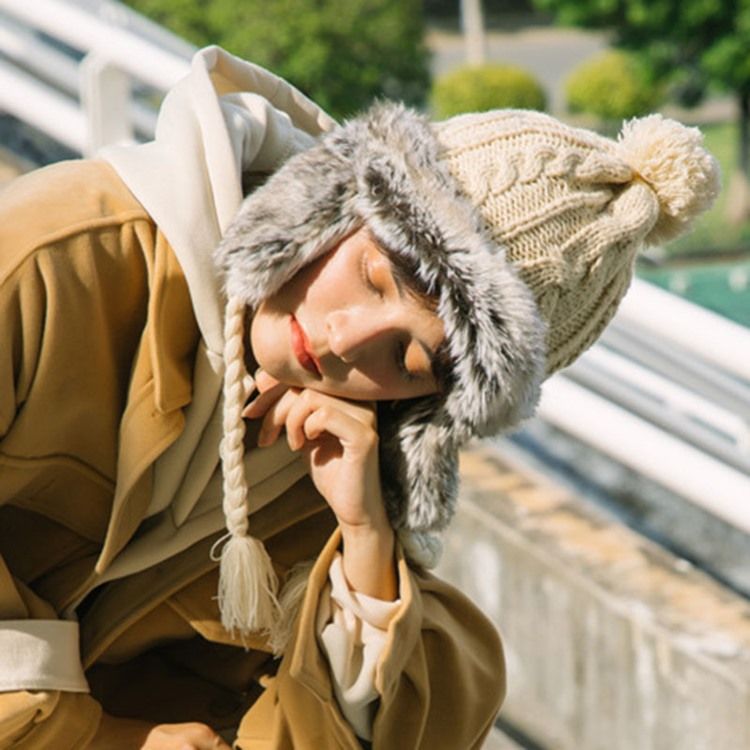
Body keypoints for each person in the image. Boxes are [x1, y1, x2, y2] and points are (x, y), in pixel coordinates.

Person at [0, 45, 719, 750]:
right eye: (377, 276)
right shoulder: (55, 262)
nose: (351, 341)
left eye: (409, 358)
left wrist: (367, 545)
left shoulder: (332, 470)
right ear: (331, 202)